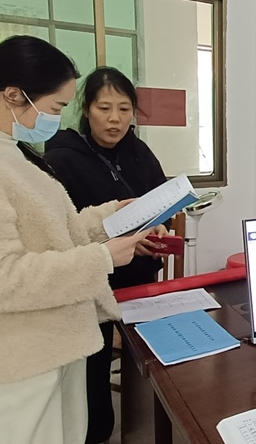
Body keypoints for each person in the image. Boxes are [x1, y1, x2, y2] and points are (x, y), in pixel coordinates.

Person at [0, 36, 151, 444]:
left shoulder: (8, 150)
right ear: (14, 95)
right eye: (55, 107)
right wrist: (103, 258)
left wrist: (111, 217)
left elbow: (49, 231)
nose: (58, 117)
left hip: (56, 337)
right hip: (15, 353)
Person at [44, 66, 170, 444]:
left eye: (124, 109)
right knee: (91, 366)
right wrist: (120, 242)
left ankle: (146, 426)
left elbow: (158, 203)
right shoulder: (62, 159)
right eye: (104, 108)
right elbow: (63, 233)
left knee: (149, 356)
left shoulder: (139, 151)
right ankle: (95, 432)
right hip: (93, 281)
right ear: (86, 109)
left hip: (140, 276)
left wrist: (158, 229)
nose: (115, 119)